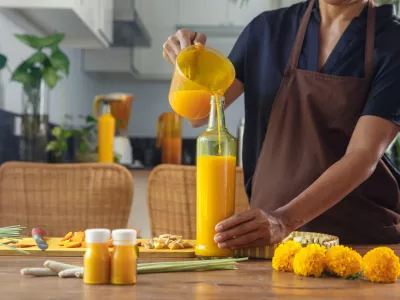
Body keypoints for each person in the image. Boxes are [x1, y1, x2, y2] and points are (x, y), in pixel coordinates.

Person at [162, 0, 400, 248]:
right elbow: (199, 115)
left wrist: (284, 220)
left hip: (361, 244)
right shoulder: (266, 31)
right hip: (273, 246)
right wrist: (187, 62)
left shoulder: (393, 41)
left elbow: (363, 154)